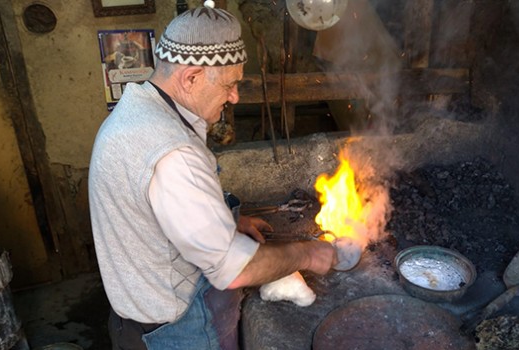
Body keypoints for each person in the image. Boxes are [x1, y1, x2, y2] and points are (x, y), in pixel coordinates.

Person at [88, 3, 337, 350]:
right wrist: (308, 255)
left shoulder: (134, 110)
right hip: (174, 332)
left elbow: (158, 211)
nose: (235, 97)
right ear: (190, 77)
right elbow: (234, 270)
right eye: (229, 85)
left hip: (132, 318)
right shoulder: (173, 152)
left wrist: (229, 222)